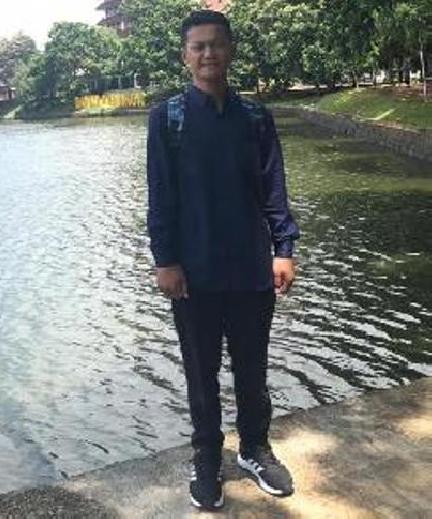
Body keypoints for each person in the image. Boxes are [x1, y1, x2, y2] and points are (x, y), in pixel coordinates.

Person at [146, 9, 301, 511]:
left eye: (216, 44)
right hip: (193, 273)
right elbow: (160, 197)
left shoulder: (255, 117)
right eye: (198, 46)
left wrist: (284, 249)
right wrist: (165, 260)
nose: (208, 53)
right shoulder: (167, 119)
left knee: (252, 368)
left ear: (230, 50)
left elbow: (274, 189)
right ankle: (208, 456)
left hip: (252, 266)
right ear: (185, 56)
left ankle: (254, 448)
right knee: (201, 372)